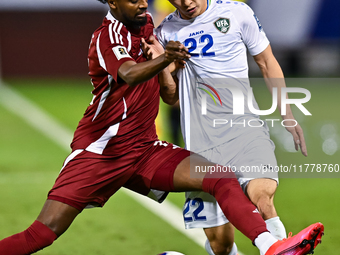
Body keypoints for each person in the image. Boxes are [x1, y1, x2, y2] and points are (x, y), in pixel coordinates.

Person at [0, 0, 323, 254]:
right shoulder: (107, 36)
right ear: (112, 3)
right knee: (42, 234)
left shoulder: (148, 28)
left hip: (144, 150)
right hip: (101, 153)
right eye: (133, 0)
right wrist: (164, 58)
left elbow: (169, 95)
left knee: (219, 177)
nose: (142, 4)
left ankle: (272, 247)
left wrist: (167, 67)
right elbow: (128, 73)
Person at [152, 0, 310, 254]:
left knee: (263, 197)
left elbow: (267, 61)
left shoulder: (237, 13)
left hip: (245, 131)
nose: (186, 2)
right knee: (221, 245)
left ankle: (281, 250)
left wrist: (287, 114)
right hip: (201, 146)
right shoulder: (165, 34)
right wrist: (166, 65)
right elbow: (171, 98)